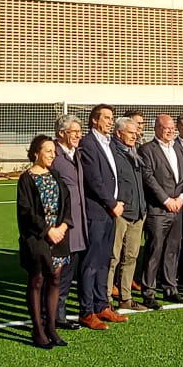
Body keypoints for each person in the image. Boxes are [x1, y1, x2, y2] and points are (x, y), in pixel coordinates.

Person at [16, 134, 73, 349]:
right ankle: (37, 330)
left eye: (54, 151)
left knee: (55, 279)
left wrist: (63, 227)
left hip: (59, 235)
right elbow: (26, 211)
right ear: (36, 153)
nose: (53, 155)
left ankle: (51, 327)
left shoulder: (56, 175)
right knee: (37, 280)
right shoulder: (27, 179)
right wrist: (48, 230)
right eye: (48, 151)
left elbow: (67, 204)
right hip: (38, 237)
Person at [75, 104, 129, 328]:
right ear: (94, 120)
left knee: (104, 261)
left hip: (110, 212)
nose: (110, 121)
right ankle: (86, 311)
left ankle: (101, 305)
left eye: (111, 117)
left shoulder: (108, 143)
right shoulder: (88, 143)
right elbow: (94, 180)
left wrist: (119, 201)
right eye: (106, 117)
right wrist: (111, 203)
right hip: (97, 211)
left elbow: (115, 176)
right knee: (91, 262)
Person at [137, 113, 183, 310]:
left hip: (178, 209)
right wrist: (166, 200)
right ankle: (148, 292)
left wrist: (182, 198)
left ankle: (170, 288)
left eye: (172, 128)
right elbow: (148, 178)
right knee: (154, 250)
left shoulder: (178, 147)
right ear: (156, 128)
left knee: (172, 250)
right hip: (159, 210)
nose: (170, 131)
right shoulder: (146, 150)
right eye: (166, 127)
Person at [49, 115, 91, 331]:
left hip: (77, 226)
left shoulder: (77, 154)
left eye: (79, 130)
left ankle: (59, 315)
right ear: (61, 133)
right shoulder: (53, 156)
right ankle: (55, 317)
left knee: (67, 275)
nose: (78, 134)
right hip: (61, 227)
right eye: (73, 131)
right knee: (57, 276)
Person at [109, 115, 148, 311]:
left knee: (131, 257)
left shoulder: (134, 152)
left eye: (136, 132)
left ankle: (125, 297)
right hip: (121, 213)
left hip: (138, 211)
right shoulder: (112, 152)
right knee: (113, 258)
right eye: (131, 133)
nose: (135, 136)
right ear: (118, 133)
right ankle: (106, 299)